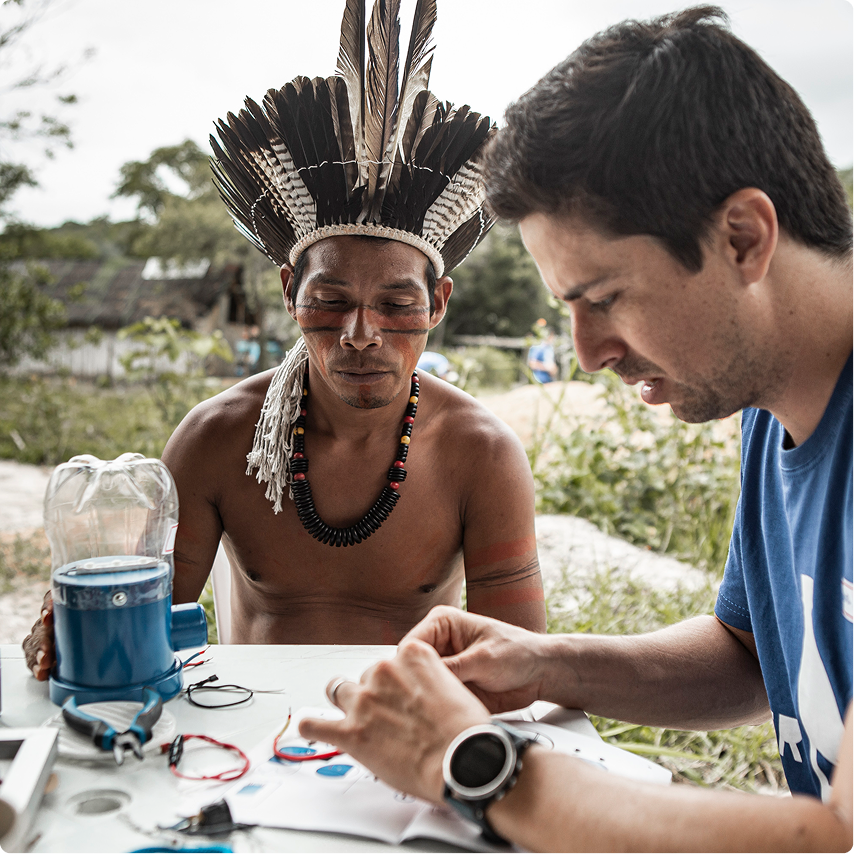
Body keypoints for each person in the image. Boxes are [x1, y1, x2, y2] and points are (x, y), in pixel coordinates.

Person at [299, 7, 854, 852]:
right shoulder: (774, 406)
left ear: (743, 236)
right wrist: (547, 664)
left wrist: (471, 761)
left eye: (603, 299)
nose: (588, 353)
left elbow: (833, 835)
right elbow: (751, 656)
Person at [24, 0, 545, 678]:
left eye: (396, 304)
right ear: (288, 294)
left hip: (416, 732)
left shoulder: (481, 455)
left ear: (438, 303)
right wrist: (75, 634)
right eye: (330, 301)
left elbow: (520, 669)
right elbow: (140, 632)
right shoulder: (216, 438)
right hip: (246, 742)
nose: (361, 335)